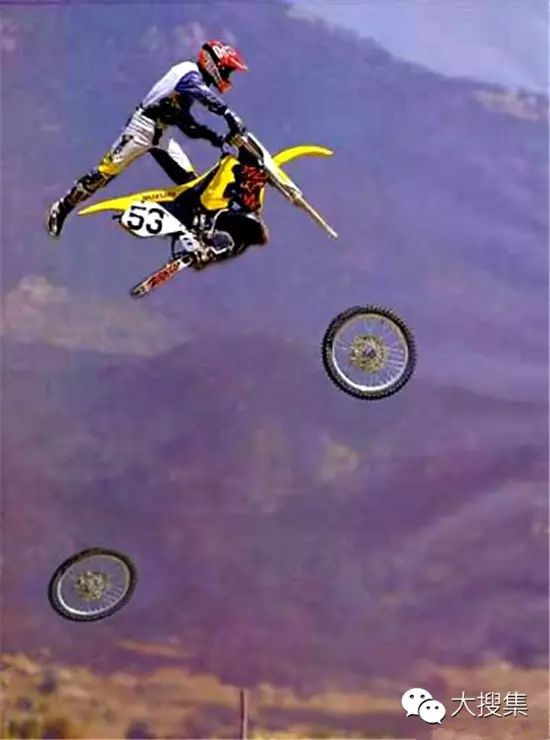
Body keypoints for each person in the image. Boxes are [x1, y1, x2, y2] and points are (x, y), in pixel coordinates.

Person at [46, 40, 248, 239]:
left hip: (162, 135)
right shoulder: (188, 72)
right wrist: (228, 115)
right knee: (103, 174)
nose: (227, 76)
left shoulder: (191, 86)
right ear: (214, 64)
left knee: (191, 183)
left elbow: (186, 123)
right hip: (141, 128)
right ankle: (63, 207)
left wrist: (215, 137)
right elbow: (203, 95)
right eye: (227, 70)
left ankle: (197, 231)